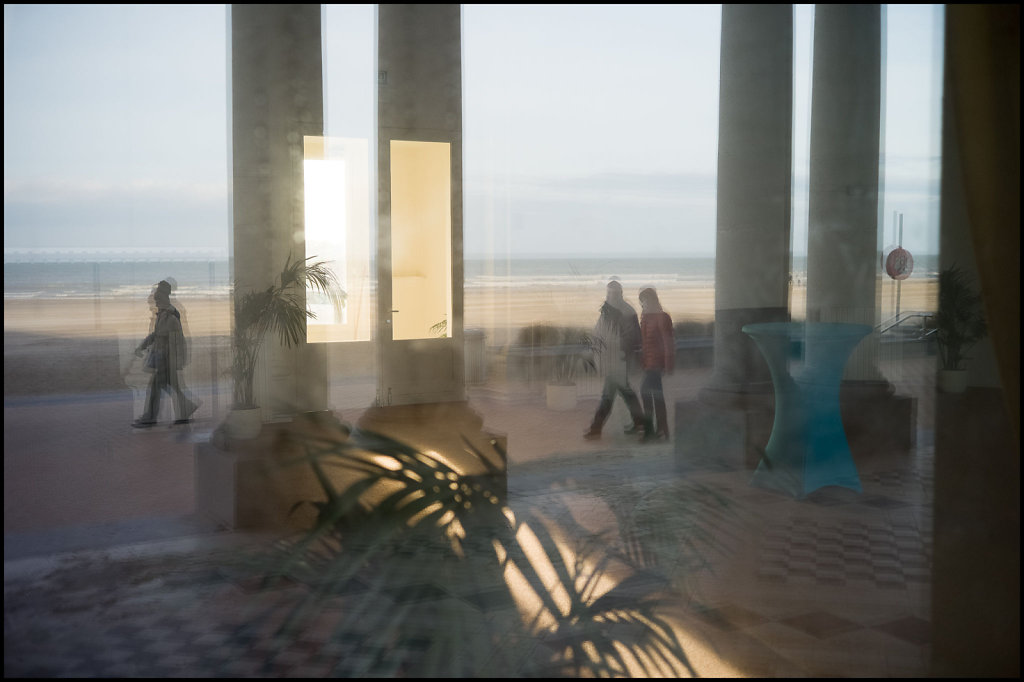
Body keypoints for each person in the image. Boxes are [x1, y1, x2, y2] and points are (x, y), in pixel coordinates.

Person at [583, 280, 649, 440]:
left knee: (609, 396)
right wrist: (594, 352)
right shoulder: (607, 310)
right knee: (626, 393)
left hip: (619, 361)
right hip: (610, 360)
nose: (610, 296)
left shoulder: (626, 311)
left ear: (620, 293)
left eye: (613, 293)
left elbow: (633, 338)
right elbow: (599, 333)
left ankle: (596, 428)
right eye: (608, 293)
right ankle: (641, 424)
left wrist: (617, 350)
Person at [132, 280, 199, 427]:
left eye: (157, 299)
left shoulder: (170, 316)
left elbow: (170, 339)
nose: (154, 302)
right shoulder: (164, 314)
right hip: (167, 358)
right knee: (173, 387)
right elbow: (157, 335)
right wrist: (142, 346)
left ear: (163, 298)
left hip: (168, 359)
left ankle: (150, 418)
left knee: (155, 388)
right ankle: (186, 409)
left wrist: (170, 360)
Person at [638, 286, 675, 441]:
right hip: (649, 363)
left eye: (645, 301)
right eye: (641, 302)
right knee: (656, 397)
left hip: (657, 364)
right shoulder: (645, 317)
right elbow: (644, 343)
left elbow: (668, 343)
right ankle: (661, 430)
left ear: (652, 300)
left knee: (645, 391)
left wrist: (668, 365)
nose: (643, 305)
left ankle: (650, 431)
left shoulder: (662, 317)